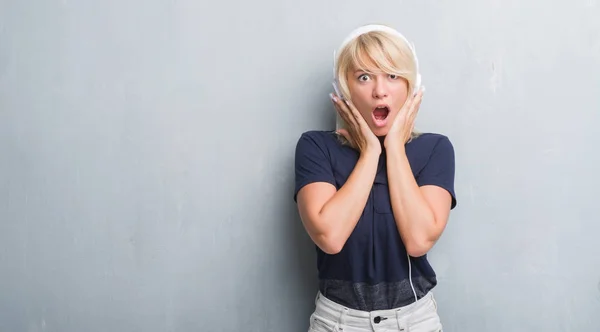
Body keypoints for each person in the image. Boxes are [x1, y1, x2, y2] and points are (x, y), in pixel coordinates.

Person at [293, 24, 457, 332]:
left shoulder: (435, 148)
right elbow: (330, 236)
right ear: (344, 90)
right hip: (337, 322)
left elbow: (419, 239)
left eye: (392, 76)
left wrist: (393, 145)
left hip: (413, 321)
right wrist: (370, 151)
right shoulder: (316, 147)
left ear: (411, 86)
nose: (379, 90)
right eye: (364, 77)